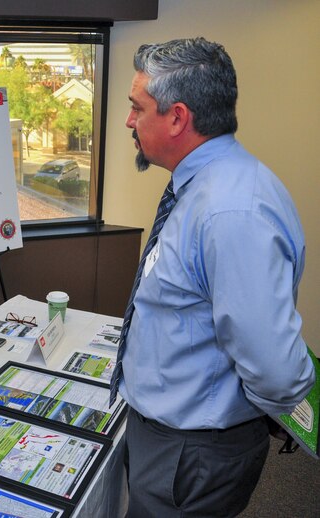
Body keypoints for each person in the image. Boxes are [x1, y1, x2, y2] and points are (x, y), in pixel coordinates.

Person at [111, 37, 315, 517]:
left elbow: (278, 372)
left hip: (191, 452)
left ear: (178, 117)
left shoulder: (231, 212)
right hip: (175, 440)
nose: (128, 122)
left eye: (136, 108)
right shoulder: (206, 186)